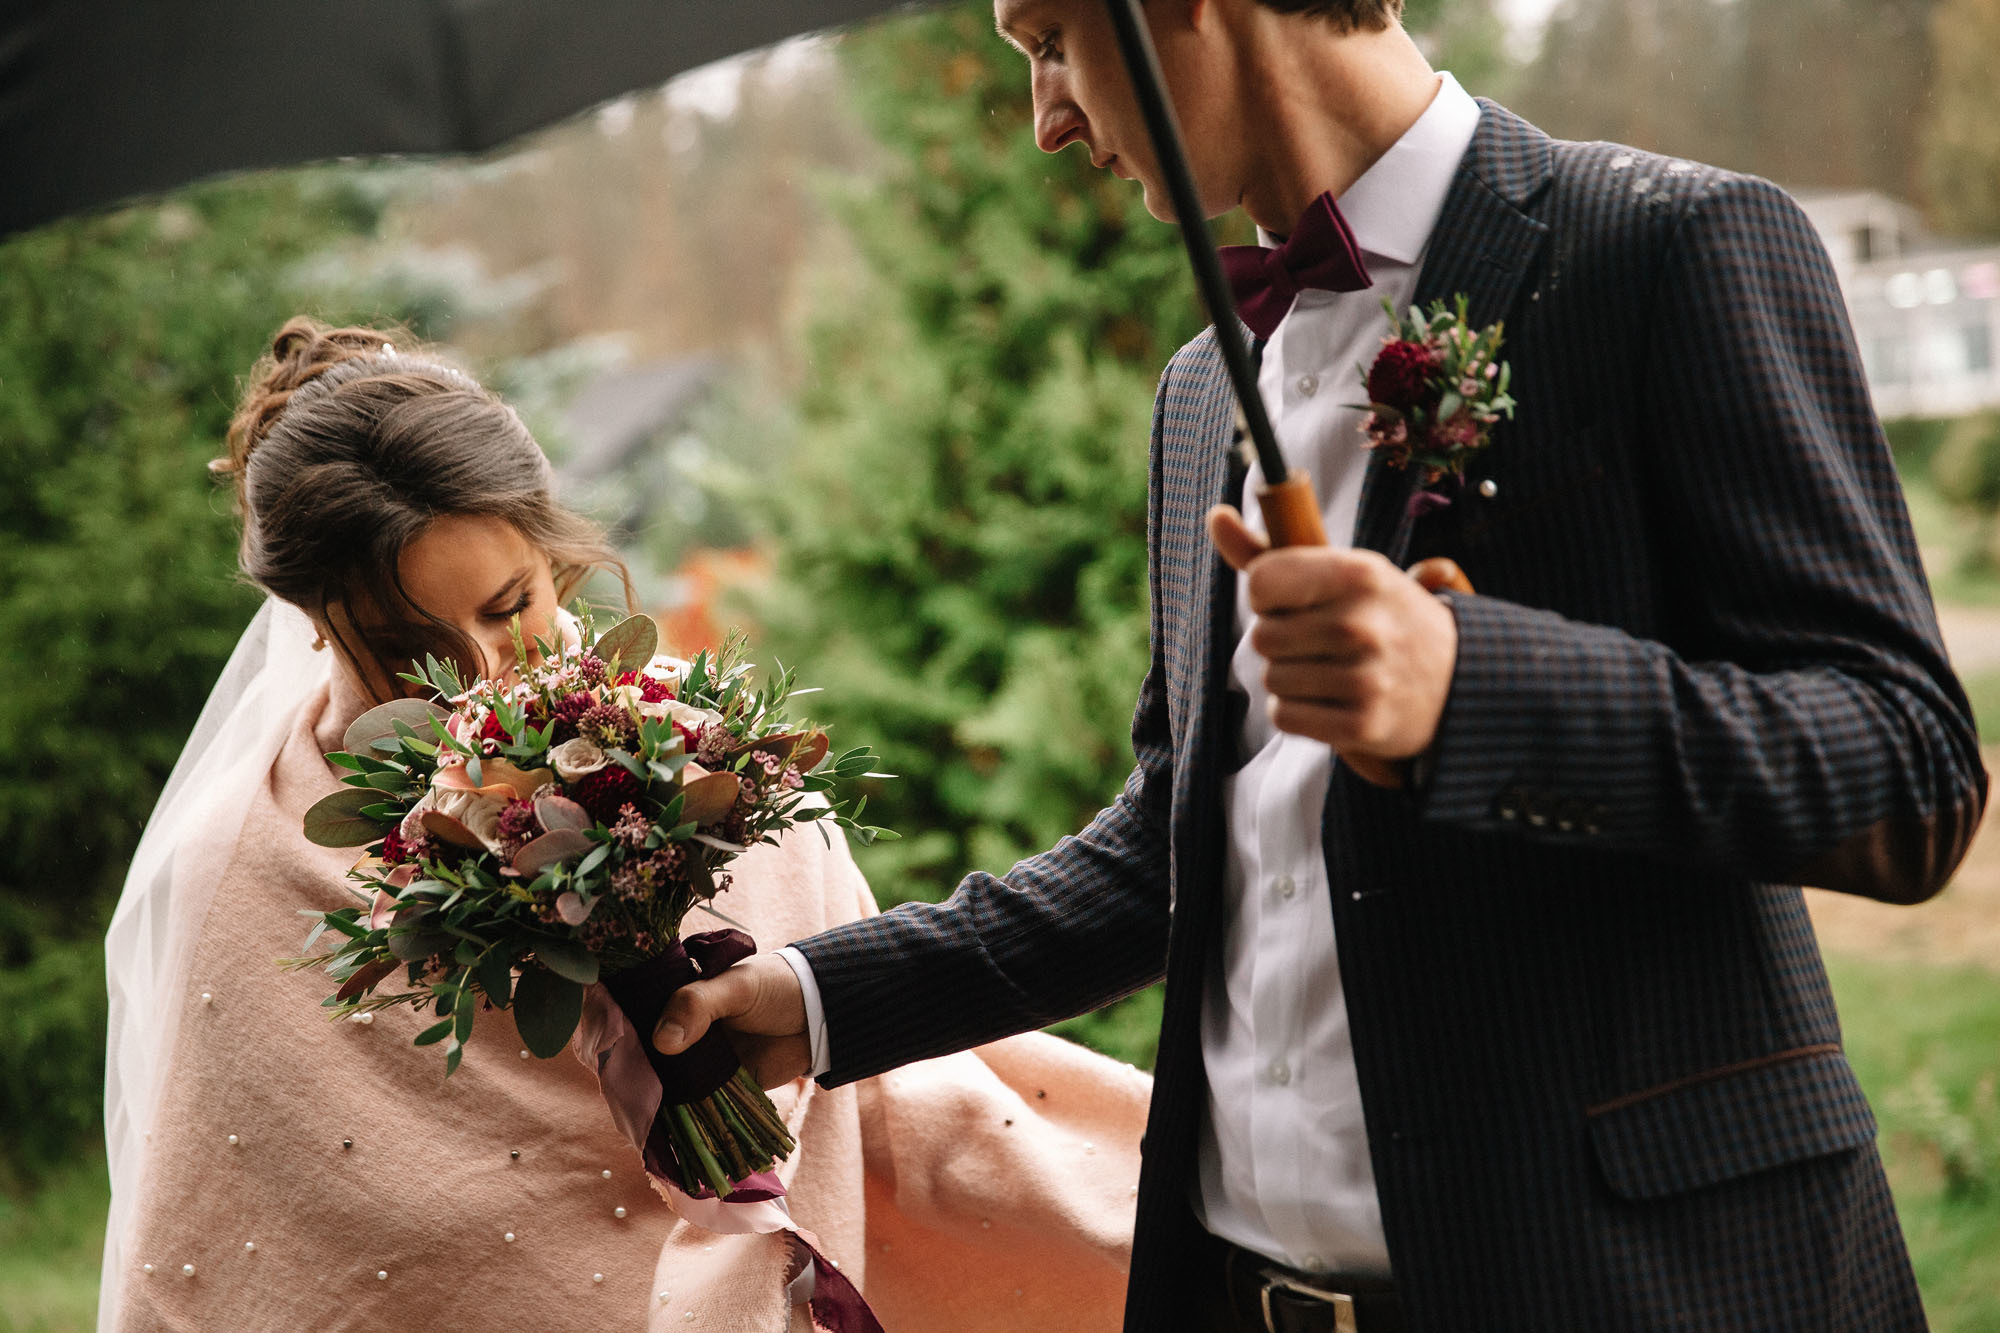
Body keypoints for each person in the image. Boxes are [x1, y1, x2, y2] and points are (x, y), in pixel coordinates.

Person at [651, 2, 1990, 1330]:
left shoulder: (1668, 248)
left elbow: (1907, 763)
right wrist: (821, 997)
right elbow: (1174, 850)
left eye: (1052, 40)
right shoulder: (1200, 394)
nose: (1046, 120)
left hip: (1642, 1290)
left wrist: (1470, 687)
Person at [100, 317, 1151, 1332]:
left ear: (554, 558)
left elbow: (875, 1094)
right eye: (408, 644)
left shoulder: (701, 755)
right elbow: (246, 1255)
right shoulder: (241, 868)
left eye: (510, 605)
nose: (483, 674)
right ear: (315, 623)